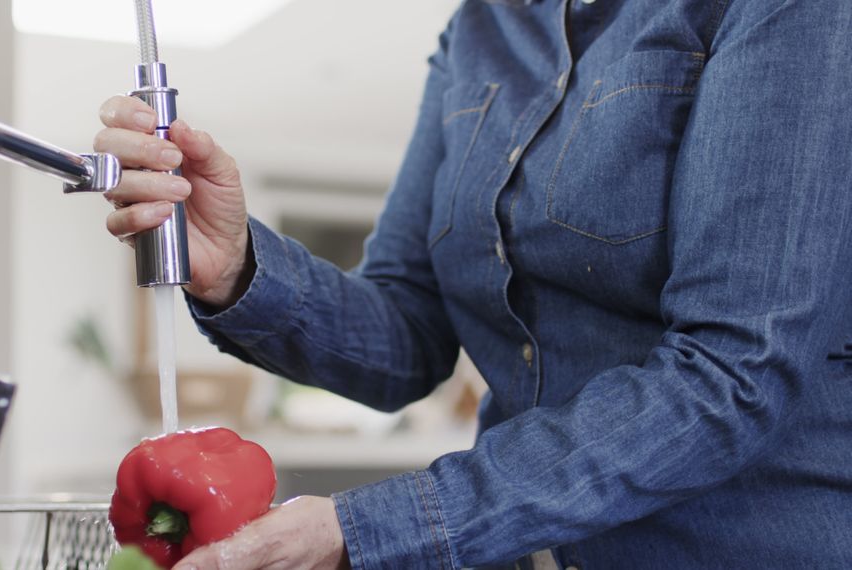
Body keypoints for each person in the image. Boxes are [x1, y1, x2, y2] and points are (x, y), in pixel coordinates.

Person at [93, 0, 852, 568]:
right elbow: (408, 336)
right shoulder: (482, 28)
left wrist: (368, 530)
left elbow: (734, 374)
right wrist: (235, 265)